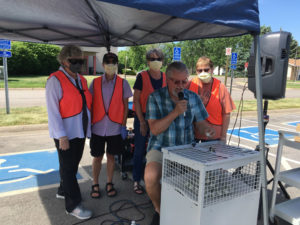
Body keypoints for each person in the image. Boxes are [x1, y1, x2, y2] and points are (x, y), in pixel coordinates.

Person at [144, 61, 215, 225]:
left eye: (184, 81)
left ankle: (186, 209)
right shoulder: (155, 97)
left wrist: (207, 130)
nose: (180, 85)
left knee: (202, 179)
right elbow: (154, 129)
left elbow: (201, 123)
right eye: (176, 81)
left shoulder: (193, 97)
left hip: (186, 148)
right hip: (160, 147)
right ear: (167, 80)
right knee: (150, 176)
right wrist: (175, 112)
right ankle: (160, 209)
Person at [46, 45, 92, 220]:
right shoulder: (55, 81)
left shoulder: (81, 80)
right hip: (66, 133)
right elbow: (53, 111)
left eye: (81, 60)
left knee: (69, 166)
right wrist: (61, 136)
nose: (79, 64)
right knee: (69, 168)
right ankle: (73, 205)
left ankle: (63, 190)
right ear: (64, 61)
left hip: (79, 130)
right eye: (74, 61)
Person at [89, 52, 132, 199]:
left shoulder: (123, 83)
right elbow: (89, 105)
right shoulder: (94, 83)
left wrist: (124, 125)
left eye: (114, 62)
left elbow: (126, 107)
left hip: (115, 126)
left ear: (117, 64)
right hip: (98, 127)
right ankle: (95, 183)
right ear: (103, 65)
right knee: (97, 157)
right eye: (108, 62)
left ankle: (109, 183)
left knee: (111, 156)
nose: (111, 65)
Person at [132, 49, 167, 194]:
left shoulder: (166, 77)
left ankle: (155, 179)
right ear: (147, 61)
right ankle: (136, 180)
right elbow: (136, 100)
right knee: (139, 150)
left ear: (162, 61)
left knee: (158, 150)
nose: (156, 61)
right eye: (152, 59)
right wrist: (142, 122)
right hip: (143, 118)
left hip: (160, 119)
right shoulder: (142, 77)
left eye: (158, 58)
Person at [188, 56, 235, 142]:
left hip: (213, 137)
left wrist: (223, 137)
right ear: (196, 71)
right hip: (193, 135)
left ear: (212, 69)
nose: (203, 73)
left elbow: (226, 114)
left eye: (206, 70)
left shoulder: (220, 87)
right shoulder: (190, 84)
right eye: (200, 70)